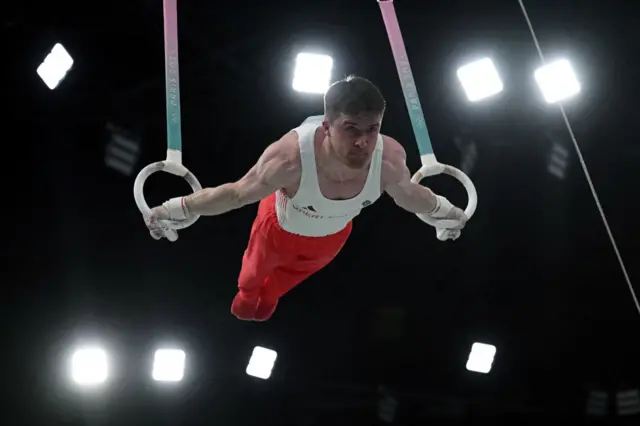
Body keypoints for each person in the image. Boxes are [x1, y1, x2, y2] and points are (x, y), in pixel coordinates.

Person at [145, 75, 467, 321]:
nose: (363, 142)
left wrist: (447, 211)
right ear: (327, 126)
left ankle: (269, 295)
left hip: (333, 238)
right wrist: (177, 207)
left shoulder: (389, 160)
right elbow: (235, 194)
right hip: (277, 229)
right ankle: (248, 292)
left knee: (286, 281)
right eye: (351, 128)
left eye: (372, 129)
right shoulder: (290, 158)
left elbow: (411, 195)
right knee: (252, 276)